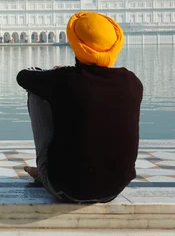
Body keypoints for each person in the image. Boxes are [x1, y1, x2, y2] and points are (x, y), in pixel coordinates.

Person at [16, 11, 143, 203]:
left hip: (67, 188)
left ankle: (45, 172)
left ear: (76, 44)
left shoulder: (64, 80)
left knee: (36, 91)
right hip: (114, 189)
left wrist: (56, 73)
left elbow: (23, 76)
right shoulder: (132, 82)